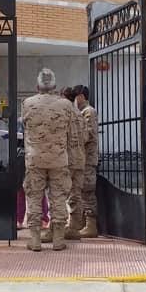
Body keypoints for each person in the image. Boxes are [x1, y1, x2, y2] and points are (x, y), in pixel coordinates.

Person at [21, 69, 74, 251]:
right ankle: (58, 239)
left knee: (34, 197)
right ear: (55, 87)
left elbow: (24, 126)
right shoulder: (66, 104)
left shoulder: (28, 103)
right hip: (59, 159)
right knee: (59, 198)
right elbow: (73, 132)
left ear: (37, 86)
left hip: (35, 159)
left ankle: (35, 239)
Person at [59, 85, 85, 240]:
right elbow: (86, 137)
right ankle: (74, 228)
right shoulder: (79, 113)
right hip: (80, 159)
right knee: (76, 195)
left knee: (60, 194)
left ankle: (58, 228)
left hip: (66, 158)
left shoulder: (63, 113)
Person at [73, 84, 100, 238]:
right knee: (82, 190)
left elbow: (87, 135)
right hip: (81, 158)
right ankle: (82, 222)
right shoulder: (81, 112)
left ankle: (91, 225)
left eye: (76, 96)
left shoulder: (88, 112)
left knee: (88, 190)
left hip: (87, 159)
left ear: (81, 96)